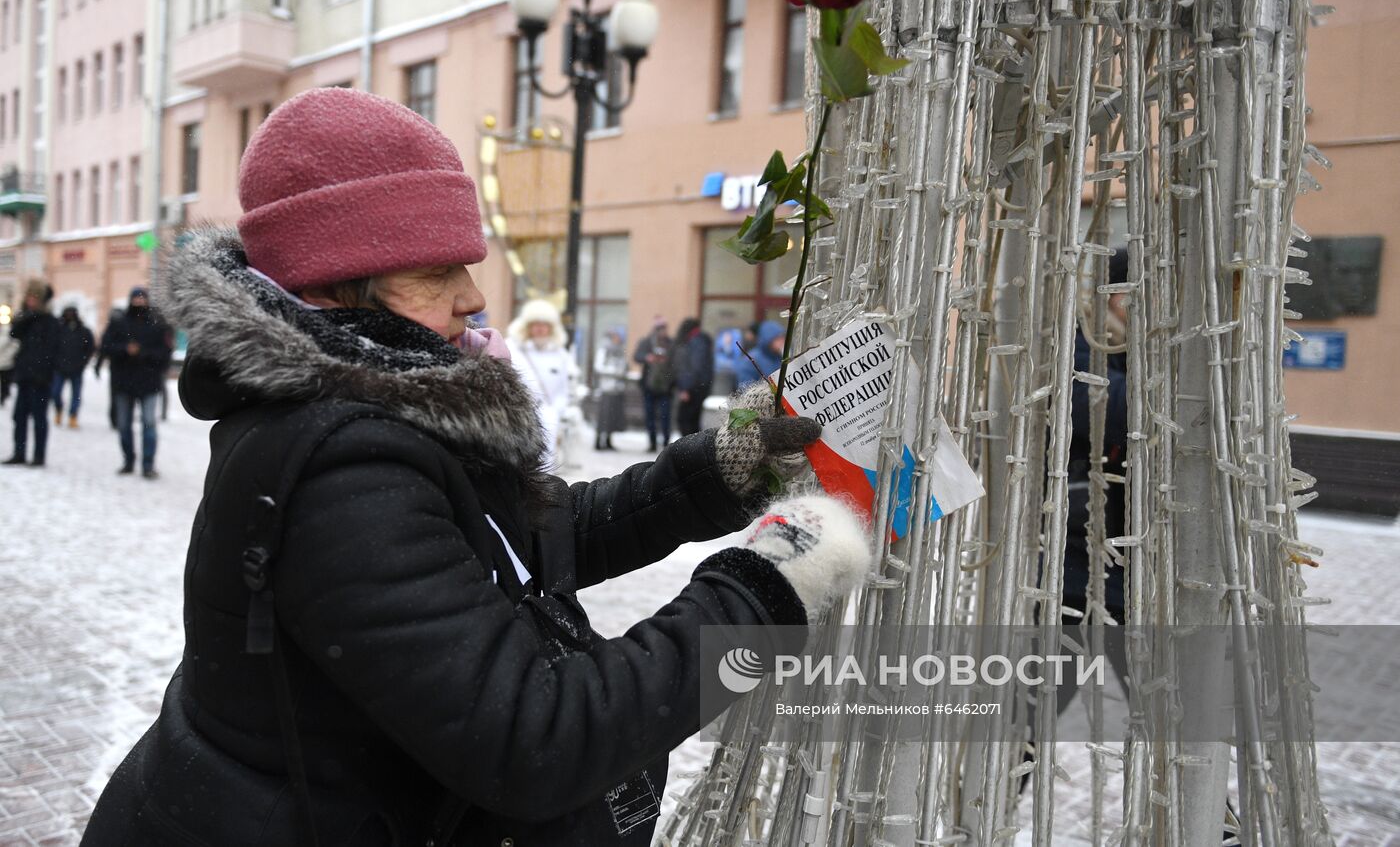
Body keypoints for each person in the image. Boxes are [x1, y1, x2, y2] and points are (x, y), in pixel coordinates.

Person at [80, 86, 871, 847]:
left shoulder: (374, 401)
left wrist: (713, 473)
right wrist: (760, 591)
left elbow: (518, 538)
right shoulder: (338, 465)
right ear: (332, 286)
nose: (473, 296)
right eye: (434, 271)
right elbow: (535, 738)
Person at [100, 287, 174, 479]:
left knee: (149, 424)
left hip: (148, 382)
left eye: (142, 298)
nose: (139, 302)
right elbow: (106, 346)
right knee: (124, 425)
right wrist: (125, 349)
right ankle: (128, 461)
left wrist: (142, 353)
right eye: (136, 298)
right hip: (124, 382)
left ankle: (148, 464)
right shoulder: (119, 322)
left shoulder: (158, 324)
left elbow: (165, 353)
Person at [506, 297, 575, 470]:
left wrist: (557, 410)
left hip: (549, 415)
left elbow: (564, 387)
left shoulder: (560, 355)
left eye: (544, 324)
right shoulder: (513, 349)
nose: (540, 329)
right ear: (527, 326)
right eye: (535, 324)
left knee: (545, 461)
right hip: (519, 413)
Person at [4, 279, 60, 467]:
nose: (31, 301)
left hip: (41, 378)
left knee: (39, 418)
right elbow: (14, 333)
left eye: (34, 297)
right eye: (29, 297)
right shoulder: (26, 319)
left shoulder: (50, 322)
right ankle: (19, 452)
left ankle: (39, 455)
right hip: (24, 376)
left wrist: (46, 371)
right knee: (19, 417)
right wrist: (27, 315)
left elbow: (53, 349)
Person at [633, 317, 674, 450]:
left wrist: (666, 362)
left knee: (665, 416)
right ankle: (652, 442)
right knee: (650, 416)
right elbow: (636, 356)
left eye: (663, 328)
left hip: (665, 387)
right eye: (658, 328)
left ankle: (666, 443)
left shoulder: (671, 344)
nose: (661, 331)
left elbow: (676, 363)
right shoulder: (646, 342)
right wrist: (647, 357)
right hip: (649, 386)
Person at [52, 305, 96, 429]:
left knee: (76, 395)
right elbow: (52, 347)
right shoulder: (59, 330)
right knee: (55, 392)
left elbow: (90, 348)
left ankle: (73, 415)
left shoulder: (83, 331)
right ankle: (59, 409)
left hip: (76, 368)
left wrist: (83, 362)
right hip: (60, 367)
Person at [670, 317, 714, 438]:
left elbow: (694, 368)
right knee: (692, 420)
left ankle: (690, 449)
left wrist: (686, 388)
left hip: (694, 388)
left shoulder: (696, 342)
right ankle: (694, 449)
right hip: (699, 386)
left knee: (685, 420)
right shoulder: (700, 341)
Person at [592, 327, 628, 451]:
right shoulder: (604, 349)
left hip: (616, 389)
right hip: (606, 388)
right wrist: (614, 371)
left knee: (612, 417)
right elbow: (598, 367)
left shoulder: (620, 350)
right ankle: (598, 441)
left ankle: (608, 440)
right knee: (603, 416)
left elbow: (623, 366)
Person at [94, 306, 125, 430]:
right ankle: (116, 418)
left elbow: (104, 349)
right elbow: (104, 349)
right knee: (118, 395)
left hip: (120, 368)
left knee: (117, 395)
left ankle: (117, 418)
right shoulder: (116, 329)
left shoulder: (118, 329)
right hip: (118, 368)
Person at [735, 319, 785, 389]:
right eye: (777, 339)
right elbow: (746, 389)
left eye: (782, 337)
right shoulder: (750, 361)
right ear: (767, 340)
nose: (781, 341)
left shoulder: (780, 357)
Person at [0, 313, 17, 407]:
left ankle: (3, 397)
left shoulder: (8, 330)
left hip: (6, 362)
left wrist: (8, 356)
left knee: (5, 382)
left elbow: (14, 344)